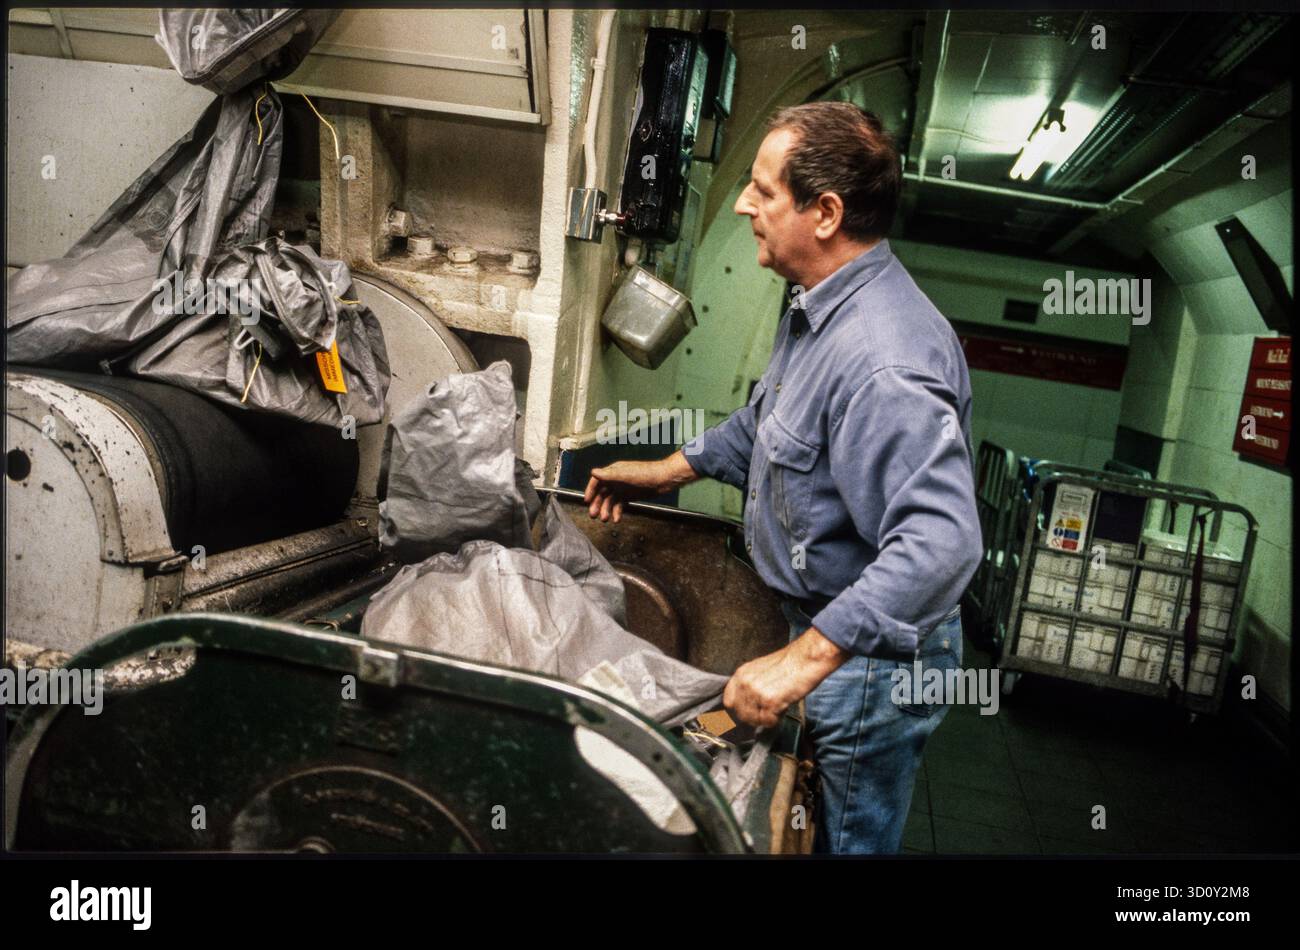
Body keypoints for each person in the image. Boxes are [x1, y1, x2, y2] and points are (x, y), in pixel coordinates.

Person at [583, 102, 982, 854]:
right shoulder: (816, 307)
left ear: (825, 212)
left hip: (868, 663)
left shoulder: (883, 360)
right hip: (824, 631)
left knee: (841, 841)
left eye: (763, 191)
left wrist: (801, 663)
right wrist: (667, 470)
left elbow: (941, 545)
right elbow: (771, 425)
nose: (743, 205)